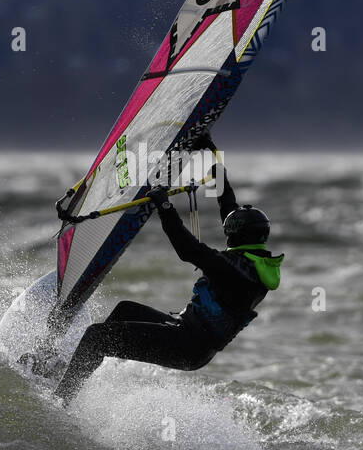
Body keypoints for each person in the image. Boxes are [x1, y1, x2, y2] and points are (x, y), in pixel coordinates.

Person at [53, 163, 283, 404]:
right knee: (125, 310)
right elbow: (230, 211)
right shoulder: (254, 261)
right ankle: (74, 376)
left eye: (229, 230)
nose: (226, 231)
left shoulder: (234, 269)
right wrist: (221, 179)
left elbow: (188, 249)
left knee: (96, 337)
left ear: (237, 235)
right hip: (187, 332)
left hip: (188, 346)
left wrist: (165, 207)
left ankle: (61, 399)